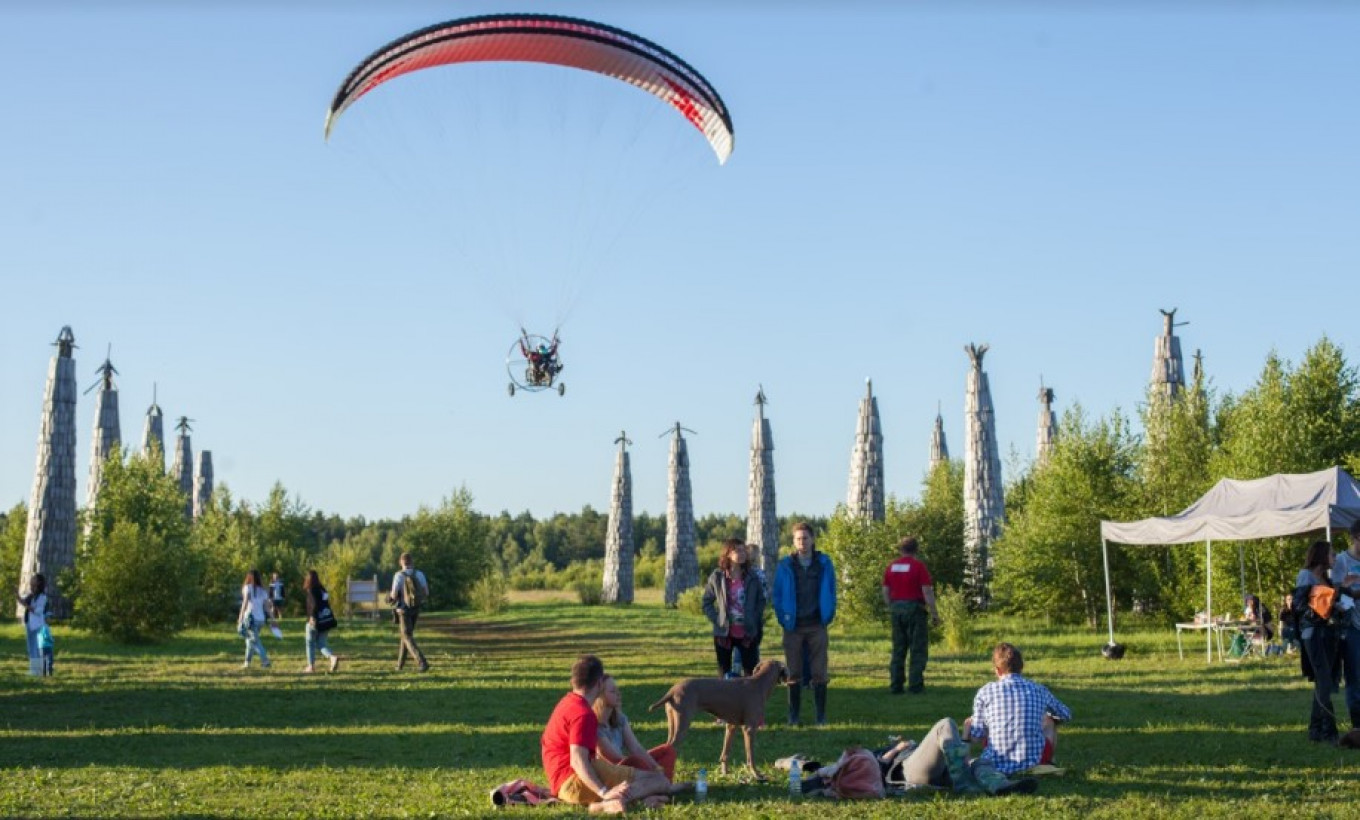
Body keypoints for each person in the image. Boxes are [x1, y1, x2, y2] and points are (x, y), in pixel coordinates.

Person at [541, 655, 684, 813]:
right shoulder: (583, 714)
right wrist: (604, 792)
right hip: (572, 781)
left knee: (656, 777)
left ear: (574, 681)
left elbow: (634, 748)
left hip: (564, 782)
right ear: (599, 682)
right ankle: (613, 802)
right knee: (660, 782)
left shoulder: (567, 702)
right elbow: (577, 761)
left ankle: (626, 799)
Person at [788, 717, 1037, 796]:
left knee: (978, 761)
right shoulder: (860, 763)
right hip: (908, 772)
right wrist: (899, 748)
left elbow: (958, 752)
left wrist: (965, 738)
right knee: (944, 725)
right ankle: (965, 785)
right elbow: (798, 787)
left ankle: (1001, 786)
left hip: (940, 770)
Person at [963, 642, 1072, 782]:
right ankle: (1047, 762)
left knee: (989, 724)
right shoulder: (1038, 689)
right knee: (1049, 721)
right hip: (1033, 763)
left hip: (995, 764)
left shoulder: (985, 691)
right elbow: (1066, 714)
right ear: (1021, 667)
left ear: (997, 670)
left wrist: (968, 732)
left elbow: (977, 736)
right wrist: (1048, 717)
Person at [773, 522, 836, 726]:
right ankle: (794, 716)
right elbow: (778, 595)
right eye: (798, 539)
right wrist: (784, 618)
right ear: (793, 541)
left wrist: (828, 613)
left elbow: (832, 590)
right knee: (793, 670)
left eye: (806, 538)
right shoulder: (785, 566)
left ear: (813, 539)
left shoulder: (824, 563)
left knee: (819, 670)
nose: (802, 542)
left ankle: (821, 716)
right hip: (794, 626)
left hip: (817, 623)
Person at [881, 536, 941, 694]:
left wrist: (892, 606)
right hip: (915, 609)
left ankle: (896, 685)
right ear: (916, 550)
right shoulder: (918, 567)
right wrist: (934, 613)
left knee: (898, 648)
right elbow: (927, 591)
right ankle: (915, 685)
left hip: (896, 609)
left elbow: (885, 591)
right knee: (917, 649)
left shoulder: (891, 567)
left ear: (901, 549)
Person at [702, 539, 767, 678]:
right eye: (737, 550)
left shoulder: (752, 576)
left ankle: (747, 700)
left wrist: (754, 618)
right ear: (728, 554)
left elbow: (761, 601)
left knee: (751, 676)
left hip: (747, 633)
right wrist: (717, 619)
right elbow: (706, 602)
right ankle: (723, 700)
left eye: (744, 550)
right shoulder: (717, 577)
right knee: (724, 675)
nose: (742, 553)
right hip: (724, 634)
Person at [1297, 540, 1340, 742]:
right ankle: (1327, 730)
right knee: (1323, 681)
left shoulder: (1326, 578)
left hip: (1328, 634)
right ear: (1322, 556)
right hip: (1313, 633)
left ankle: (1315, 731)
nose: (1335, 557)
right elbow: (1301, 606)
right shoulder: (1305, 576)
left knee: (1324, 683)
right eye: (1332, 554)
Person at [592, 675, 676, 780]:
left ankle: (663, 784)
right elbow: (614, 759)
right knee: (635, 762)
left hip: (628, 766)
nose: (618, 694)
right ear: (600, 696)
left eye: (618, 690)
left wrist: (656, 767)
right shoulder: (594, 726)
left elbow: (635, 747)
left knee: (667, 750)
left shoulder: (620, 719)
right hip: (613, 773)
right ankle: (658, 786)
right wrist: (645, 768)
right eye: (613, 691)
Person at [1330, 520, 1360, 732]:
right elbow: (1334, 595)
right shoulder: (1341, 561)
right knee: (1355, 677)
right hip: (1352, 628)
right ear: (1356, 537)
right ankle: (1358, 726)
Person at [388, 552, 430, 672]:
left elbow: (394, 595)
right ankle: (399, 665)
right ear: (412, 562)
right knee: (405, 636)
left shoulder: (398, 575)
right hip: (415, 608)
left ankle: (422, 662)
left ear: (401, 562)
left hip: (403, 609)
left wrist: (389, 598)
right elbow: (426, 592)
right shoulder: (420, 574)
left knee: (407, 636)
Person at [303, 570, 340, 674]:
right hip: (326, 620)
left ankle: (311, 666)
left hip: (315, 621)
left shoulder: (311, 590)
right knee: (321, 643)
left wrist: (312, 617)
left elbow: (313, 605)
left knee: (310, 643)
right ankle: (332, 657)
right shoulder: (322, 590)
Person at [16, 573, 52, 676]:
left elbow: (38, 611)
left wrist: (27, 606)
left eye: (34, 579)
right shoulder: (32, 595)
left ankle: (38, 670)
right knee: (31, 647)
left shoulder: (42, 597)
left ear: (38, 583)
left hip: (37, 625)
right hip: (30, 624)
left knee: (37, 648)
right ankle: (34, 669)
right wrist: (17, 596)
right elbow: (24, 602)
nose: (31, 580)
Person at [238, 569, 274, 670]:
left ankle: (265, 661)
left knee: (255, 641)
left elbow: (245, 603)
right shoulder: (263, 590)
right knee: (250, 641)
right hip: (260, 619)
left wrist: (240, 617)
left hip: (250, 618)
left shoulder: (247, 588)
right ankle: (247, 662)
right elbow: (267, 607)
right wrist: (272, 618)